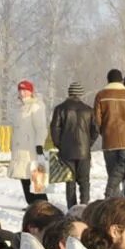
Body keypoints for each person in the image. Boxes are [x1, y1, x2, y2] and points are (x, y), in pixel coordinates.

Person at [91, 70, 125, 198]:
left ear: (108, 80)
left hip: (109, 140)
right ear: (121, 80)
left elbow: (97, 119)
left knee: (113, 176)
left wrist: (104, 131)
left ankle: (115, 204)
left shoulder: (101, 95)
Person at [49, 82, 96, 210]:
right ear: (80, 94)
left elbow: (54, 128)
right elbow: (95, 130)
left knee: (70, 182)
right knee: (84, 181)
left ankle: (72, 208)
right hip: (84, 151)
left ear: (69, 93)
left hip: (67, 151)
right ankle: (85, 207)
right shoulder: (89, 110)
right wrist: (88, 143)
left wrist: (59, 144)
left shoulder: (60, 109)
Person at [9, 81, 50, 209]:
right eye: (20, 90)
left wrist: (39, 144)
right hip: (19, 148)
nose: (22, 93)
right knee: (24, 177)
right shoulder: (18, 107)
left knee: (36, 176)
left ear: (31, 91)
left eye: (25, 90)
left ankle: (42, 204)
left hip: (31, 147)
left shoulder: (36, 106)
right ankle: (31, 203)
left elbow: (41, 127)